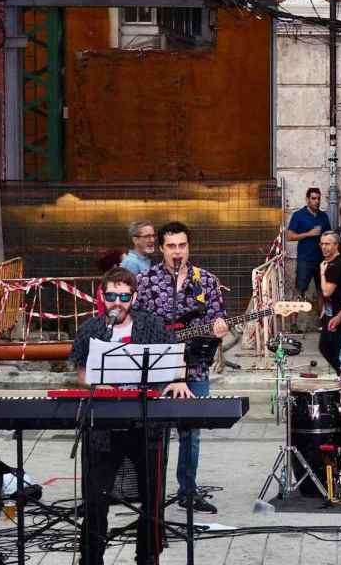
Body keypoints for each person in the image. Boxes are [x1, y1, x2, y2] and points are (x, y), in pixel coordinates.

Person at [70, 267, 193, 565]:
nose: (118, 302)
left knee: (152, 497)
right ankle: (91, 556)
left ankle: (148, 556)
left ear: (134, 297)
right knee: (95, 498)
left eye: (124, 296)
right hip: (102, 425)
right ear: (102, 296)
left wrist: (178, 379)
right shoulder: (92, 329)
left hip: (145, 422)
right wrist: (99, 383)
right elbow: (81, 372)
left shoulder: (150, 325)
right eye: (112, 295)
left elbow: (176, 356)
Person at [133, 222, 227, 514]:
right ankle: (152, 491)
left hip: (196, 368)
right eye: (171, 246)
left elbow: (216, 319)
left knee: (192, 431)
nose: (178, 252)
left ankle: (188, 490)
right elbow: (139, 326)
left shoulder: (205, 281)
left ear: (189, 247)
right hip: (158, 369)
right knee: (153, 431)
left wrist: (219, 329)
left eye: (182, 246)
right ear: (161, 248)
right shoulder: (146, 281)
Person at [287, 188, 332, 317]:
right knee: (299, 290)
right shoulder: (298, 215)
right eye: (313, 198)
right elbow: (289, 236)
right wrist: (309, 233)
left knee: (322, 291)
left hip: (321, 259)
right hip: (304, 259)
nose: (316, 201)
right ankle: (294, 325)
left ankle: (323, 322)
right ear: (307, 199)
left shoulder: (323, 216)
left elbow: (328, 235)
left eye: (318, 198)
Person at [319, 231, 341, 373]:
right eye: (322, 244)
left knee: (332, 348)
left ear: (336, 245)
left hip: (340, 314)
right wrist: (324, 310)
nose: (324, 247)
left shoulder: (336, 265)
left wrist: (321, 272)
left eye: (328, 244)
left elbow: (327, 291)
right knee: (326, 346)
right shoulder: (334, 262)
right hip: (332, 311)